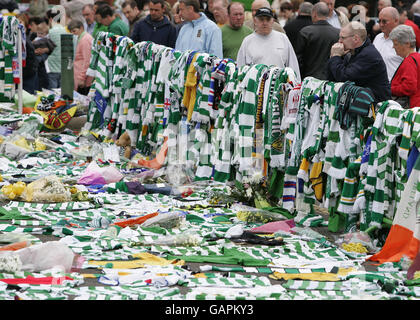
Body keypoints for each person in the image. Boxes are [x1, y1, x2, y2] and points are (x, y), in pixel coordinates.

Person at [327, 21, 391, 104]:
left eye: (343, 38)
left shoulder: (368, 55)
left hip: (375, 108)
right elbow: (332, 78)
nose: (339, 41)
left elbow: (344, 78)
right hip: (361, 104)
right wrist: (333, 57)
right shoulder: (351, 51)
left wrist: (336, 56)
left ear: (356, 39)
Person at [237, 7, 301, 81]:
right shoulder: (247, 41)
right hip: (254, 88)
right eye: (261, 19)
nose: (265, 23)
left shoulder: (282, 38)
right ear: (255, 21)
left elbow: (293, 65)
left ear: (273, 21)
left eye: (268, 19)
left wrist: (297, 85)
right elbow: (240, 68)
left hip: (279, 87)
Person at [295, 2, 339, 80]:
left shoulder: (306, 32)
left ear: (314, 14)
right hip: (329, 79)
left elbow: (298, 59)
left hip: (309, 78)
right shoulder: (337, 33)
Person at [389, 24, 420, 108]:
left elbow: (409, 87)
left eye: (396, 44)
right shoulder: (417, 57)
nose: (393, 47)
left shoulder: (409, 61)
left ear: (407, 44)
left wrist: (390, 89)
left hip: (411, 109)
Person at [373, 6, 403, 82]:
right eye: (379, 21)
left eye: (384, 21)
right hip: (374, 86)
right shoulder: (378, 37)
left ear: (396, 21)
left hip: (393, 89)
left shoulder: (404, 40)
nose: (381, 24)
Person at [68, 19, 94, 96]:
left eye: (74, 31)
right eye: (71, 32)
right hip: (81, 78)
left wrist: (81, 78)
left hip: (84, 80)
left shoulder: (85, 40)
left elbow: (87, 61)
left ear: (81, 28)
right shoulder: (81, 38)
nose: (73, 34)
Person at [46, 9, 68, 89]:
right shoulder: (67, 31)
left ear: (51, 19)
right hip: (65, 67)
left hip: (52, 67)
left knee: (52, 93)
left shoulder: (50, 32)